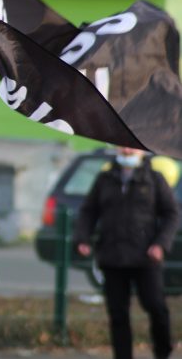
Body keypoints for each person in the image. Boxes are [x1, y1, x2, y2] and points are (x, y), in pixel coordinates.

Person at [74, 147, 179, 359]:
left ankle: (163, 351)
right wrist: (83, 238)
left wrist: (160, 243)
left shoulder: (154, 179)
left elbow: (172, 214)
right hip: (113, 256)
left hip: (145, 257)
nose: (126, 150)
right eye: (122, 146)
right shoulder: (105, 179)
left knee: (155, 306)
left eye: (131, 147)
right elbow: (88, 211)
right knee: (118, 314)